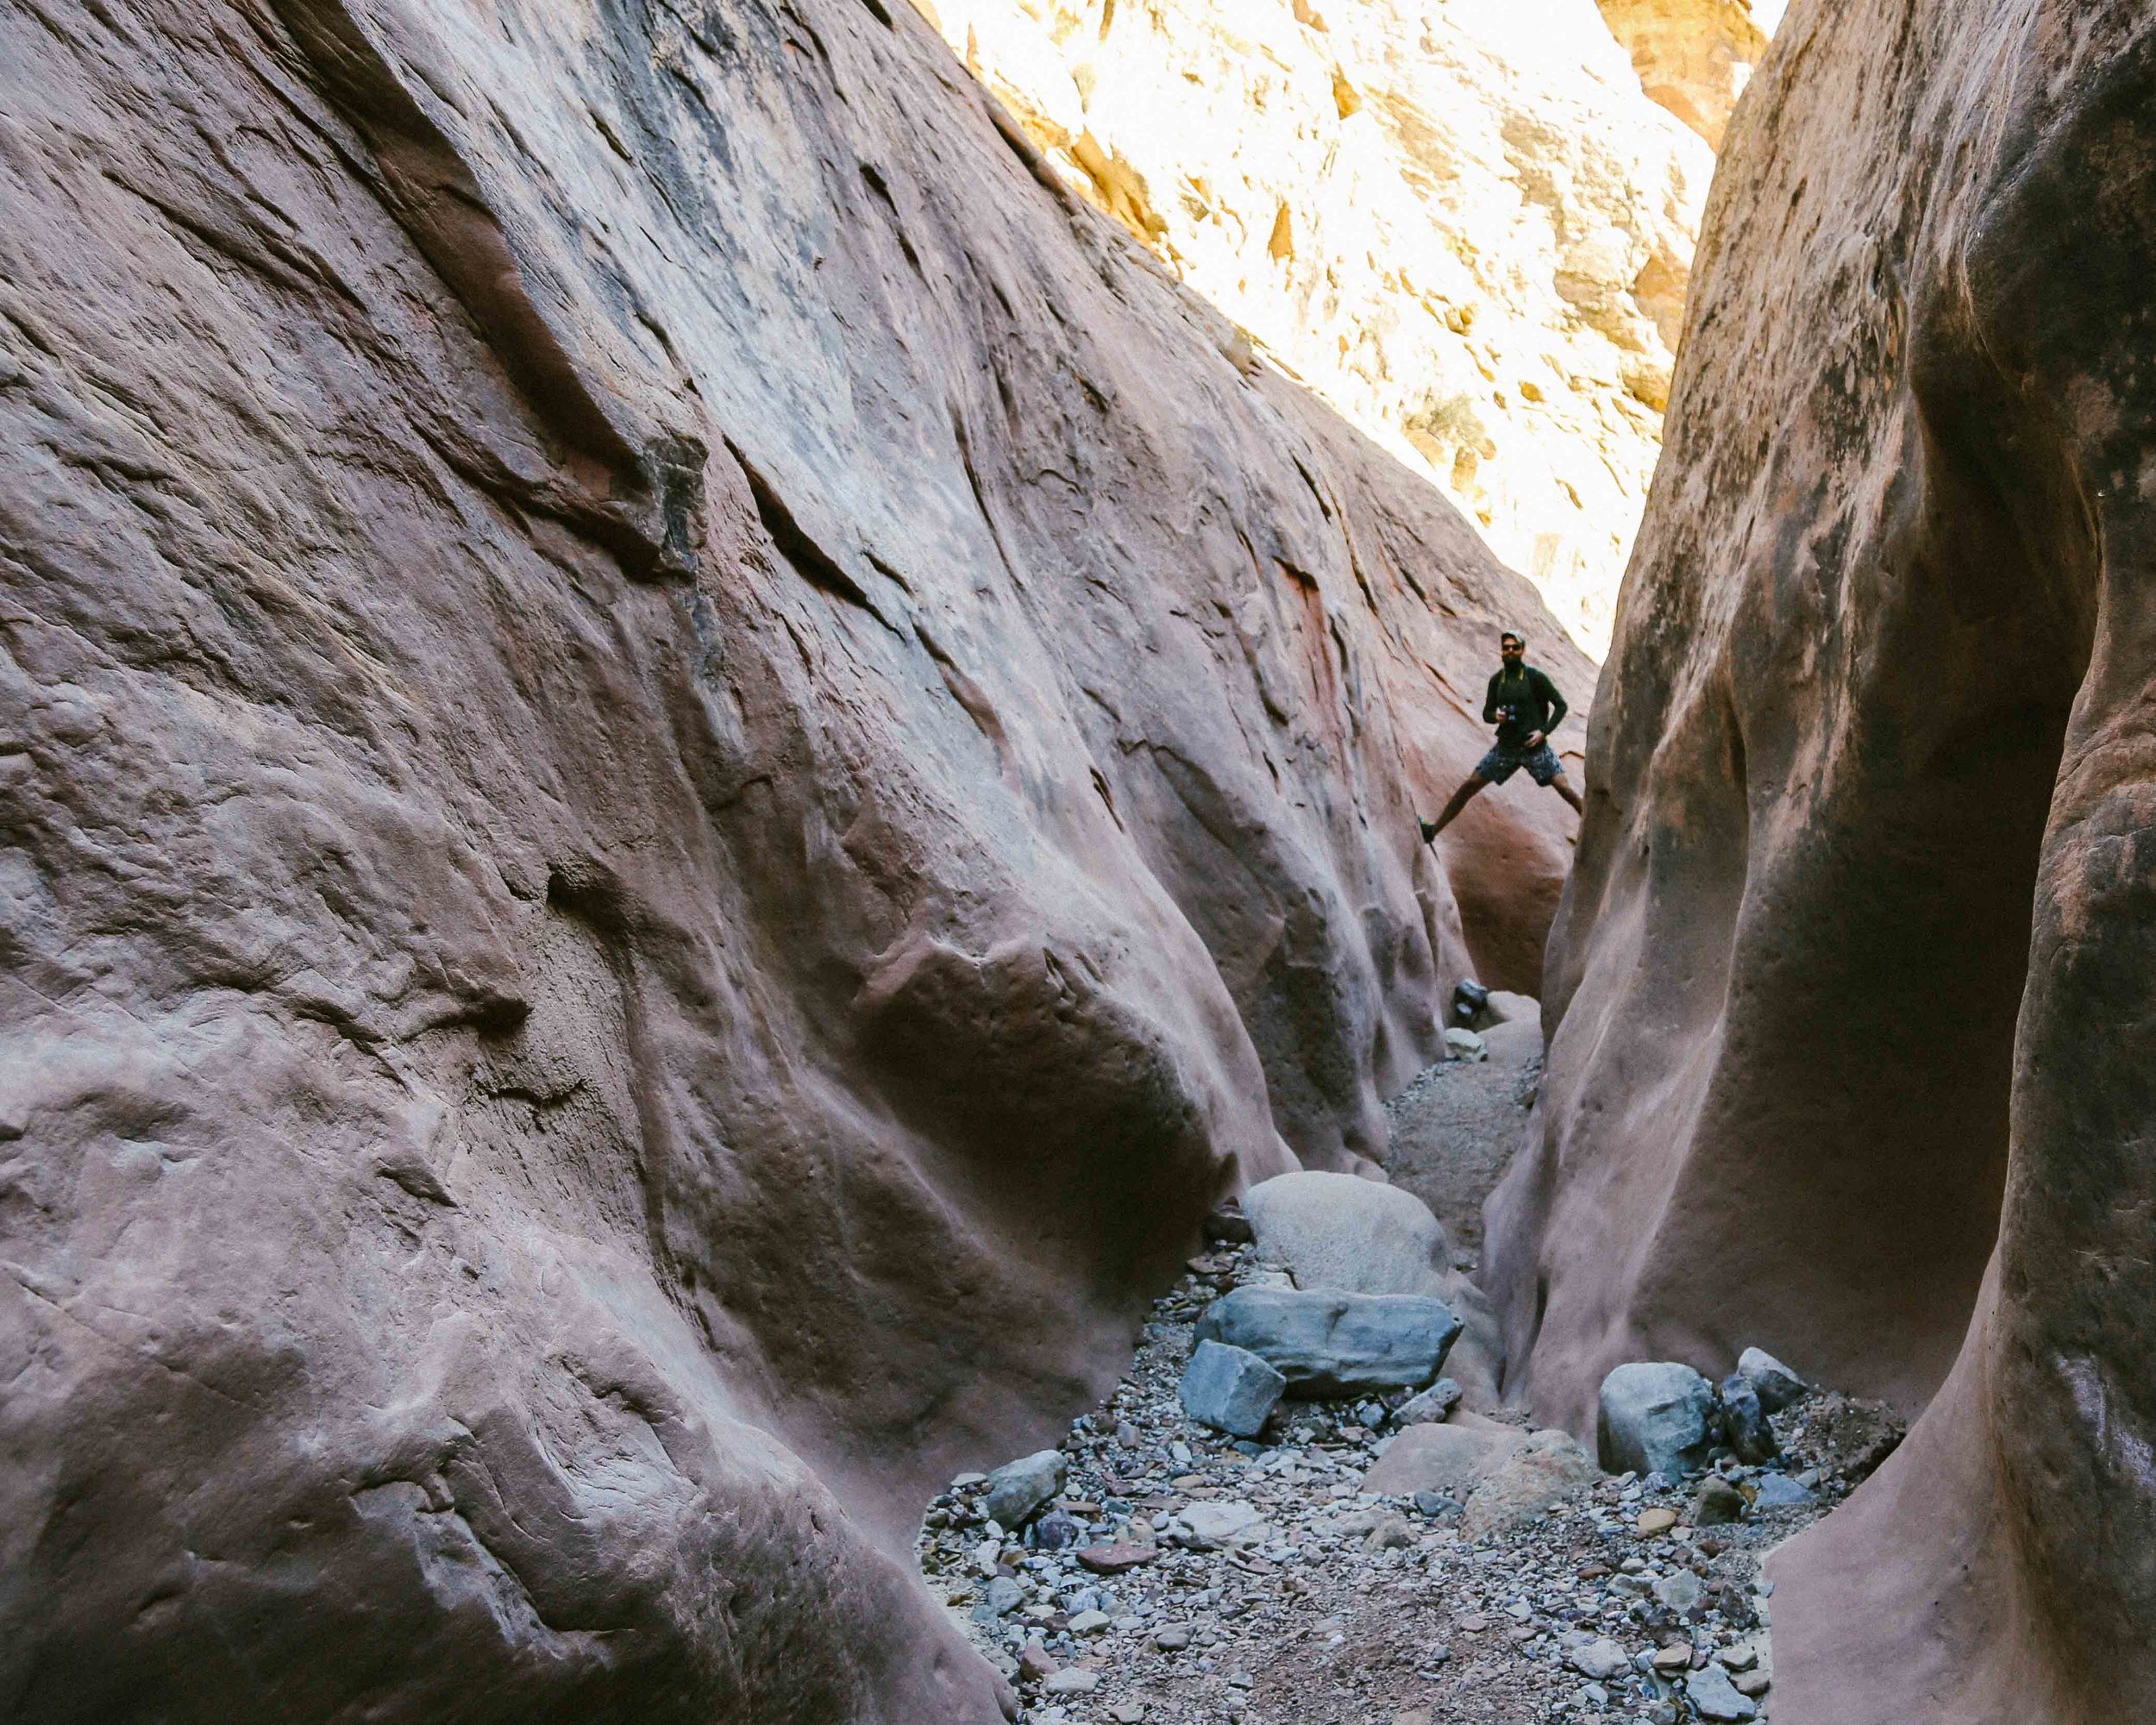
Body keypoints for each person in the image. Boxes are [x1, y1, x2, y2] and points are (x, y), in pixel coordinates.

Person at [1421, 630, 1582, 841]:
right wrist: (1495, 716)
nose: (1510, 651)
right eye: (1506, 648)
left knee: (1564, 787)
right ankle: (1433, 831)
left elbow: (1561, 706)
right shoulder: (1497, 680)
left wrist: (1543, 732)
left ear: (1522, 650)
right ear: (1501, 652)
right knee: (1470, 785)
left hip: (1534, 748)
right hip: (1506, 748)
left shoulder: (1535, 678)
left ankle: (1595, 827)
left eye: (1515, 647)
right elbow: (1487, 713)